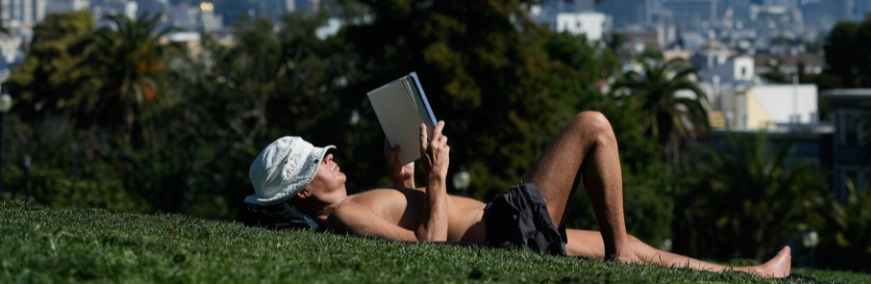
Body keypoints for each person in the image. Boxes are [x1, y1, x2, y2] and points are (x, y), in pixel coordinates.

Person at [242, 111, 791, 278]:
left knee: (630, 242)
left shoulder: (353, 208)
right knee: (592, 126)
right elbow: (429, 253)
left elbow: (410, 229)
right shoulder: (344, 220)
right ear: (304, 191)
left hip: (506, 228)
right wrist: (437, 176)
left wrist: (405, 181)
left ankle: (750, 276)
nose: (331, 159)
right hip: (506, 230)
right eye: (319, 163)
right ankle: (622, 253)